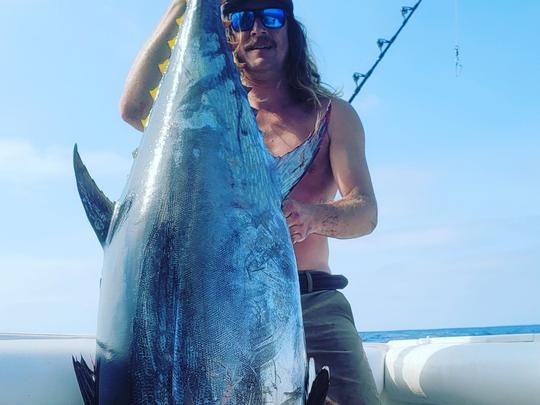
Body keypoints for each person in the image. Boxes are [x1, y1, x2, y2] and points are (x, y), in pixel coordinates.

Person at [120, 0, 380, 403]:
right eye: (243, 19)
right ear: (230, 34)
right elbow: (134, 109)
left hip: (313, 302)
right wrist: (184, 6)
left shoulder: (331, 116)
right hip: (220, 309)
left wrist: (312, 217)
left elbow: (364, 212)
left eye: (272, 17)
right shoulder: (202, 124)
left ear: (291, 30)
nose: (258, 28)